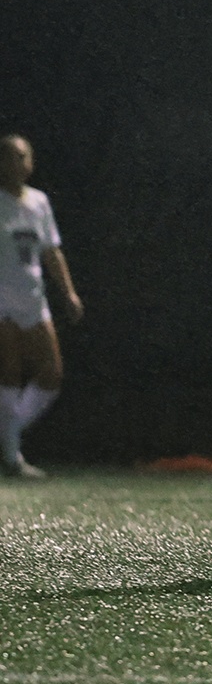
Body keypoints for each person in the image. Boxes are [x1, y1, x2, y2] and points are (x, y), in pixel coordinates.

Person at [0, 135, 82, 478]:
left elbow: (51, 251)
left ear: (30, 162)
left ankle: (8, 435)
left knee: (51, 375)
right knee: (10, 373)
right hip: (3, 298)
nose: (16, 163)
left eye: (22, 156)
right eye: (8, 157)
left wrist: (69, 294)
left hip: (35, 298)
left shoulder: (39, 202)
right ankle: (13, 456)